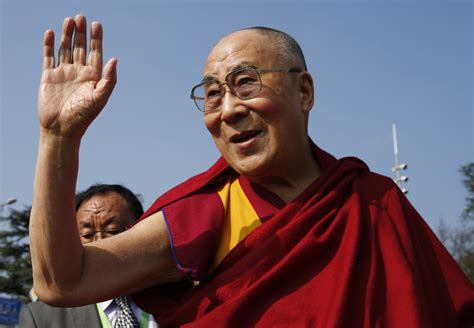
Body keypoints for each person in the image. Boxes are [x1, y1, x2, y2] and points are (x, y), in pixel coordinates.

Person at [29, 14, 473, 327]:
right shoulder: (209, 211)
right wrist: (59, 137)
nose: (229, 109)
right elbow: (62, 283)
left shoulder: (374, 202)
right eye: (212, 94)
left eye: (245, 83)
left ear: (303, 90)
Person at [20, 184, 158, 327]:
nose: (100, 242)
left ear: (142, 230)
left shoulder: (178, 300)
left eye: (112, 231)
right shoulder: (42, 318)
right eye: (87, 235)